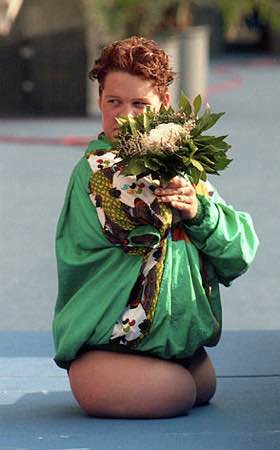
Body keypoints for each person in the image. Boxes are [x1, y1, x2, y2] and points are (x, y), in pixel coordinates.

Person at [52, 36, 259, 419]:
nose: (124, 117)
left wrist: (200, 211)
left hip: (166, 344)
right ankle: (98, 372)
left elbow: (238, 253)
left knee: (202, 387)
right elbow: (141, 215)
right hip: (108, 343)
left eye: (139, 104)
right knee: (178, 394)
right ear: (99, 102)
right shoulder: (100, 170)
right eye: (113, 101)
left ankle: (162, 358)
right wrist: (184, 194)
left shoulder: (178, 168)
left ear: (163, 105)